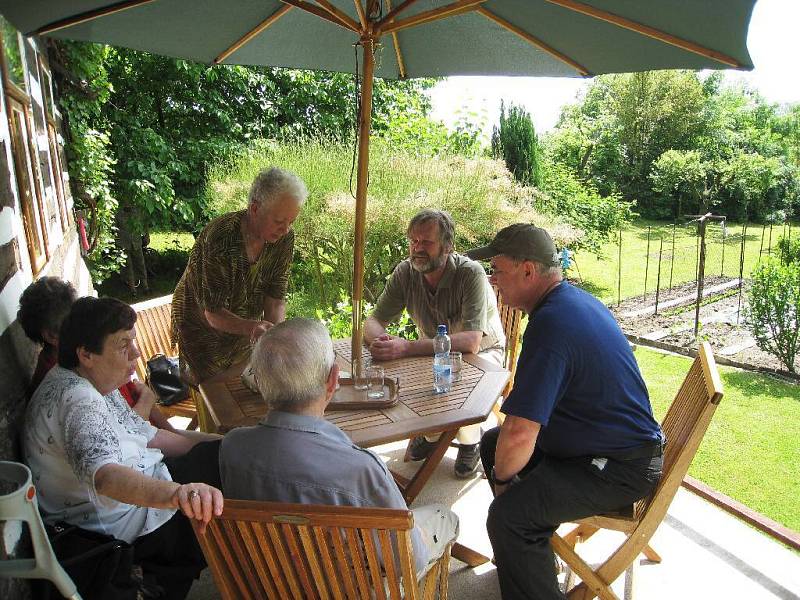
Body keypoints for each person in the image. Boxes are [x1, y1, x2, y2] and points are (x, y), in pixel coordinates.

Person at [464, 224, 664, 600]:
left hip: (618, 468)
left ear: (528, 271)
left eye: (499, 270)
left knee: (509, 518)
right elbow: (515, 433)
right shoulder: (569, 303)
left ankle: (523, 547)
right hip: (602, 448)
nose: (492, 280)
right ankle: (528, 558)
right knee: (493, 445)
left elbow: (522, 431)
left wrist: (507, 489)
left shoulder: (553, 324)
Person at [219, 318, 459, 577]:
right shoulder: (361, 469)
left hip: (270, 583)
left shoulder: (232, 447)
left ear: (260, 384)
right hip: (351, 588)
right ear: (333, 380)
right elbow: (410, 562)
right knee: (443, 516)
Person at [24, 296, 225, 600]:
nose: (136, 353)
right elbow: (106, 477)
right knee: (224, 497)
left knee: (226, 459)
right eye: (122, 345)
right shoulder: (78, 400)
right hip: (125, 526)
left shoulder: (94, 382)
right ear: (87, 354)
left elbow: (152, 436)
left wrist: (228, 441)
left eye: (133, 341)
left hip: (146, 488)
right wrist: (178, 495)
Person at [363, 209, 505, 478]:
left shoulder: (470, 274)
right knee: (400, 376)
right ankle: (431, 433)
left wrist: (406, 347)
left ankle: (468, 441)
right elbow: (372, 322)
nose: (417, 249)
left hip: (485, 356)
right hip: (433, 354)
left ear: (447, 246)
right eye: (413, 241)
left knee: (455, 383)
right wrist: (381, 340)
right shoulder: (406, 272)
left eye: (426, 242)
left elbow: (472, 342)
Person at [171, 167, 307, 383]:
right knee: (216, 397)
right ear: (254, 209)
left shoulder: (284, 240)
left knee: (250, 388)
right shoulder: (220, 238)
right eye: (279, 221)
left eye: (291, 222)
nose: (286, 230)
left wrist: (273, 336)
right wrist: (253, 327)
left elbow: (275, 297)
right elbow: (213, 313)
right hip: (201, 330)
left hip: (244, 329)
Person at [17, 277, 176, 432]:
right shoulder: (65, 376)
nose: (86, 326)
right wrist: (146, 401)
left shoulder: (95, 355)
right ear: (51, 336)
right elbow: (119, 430)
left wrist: (173, 432)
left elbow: (135, 392)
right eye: (73, 324)